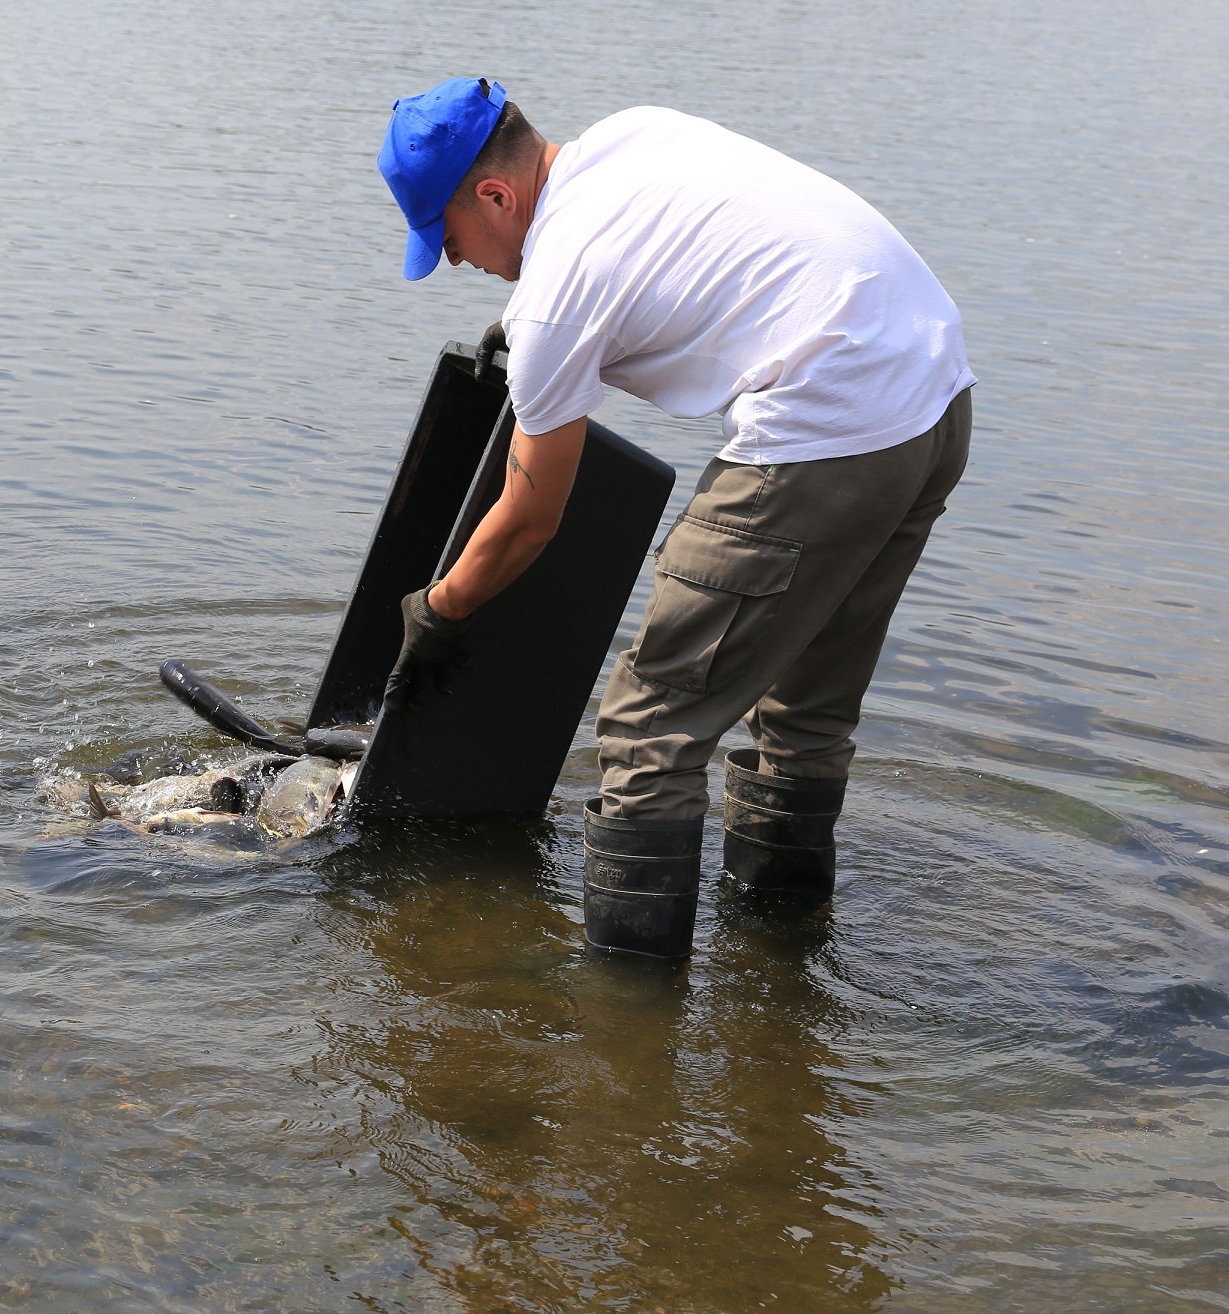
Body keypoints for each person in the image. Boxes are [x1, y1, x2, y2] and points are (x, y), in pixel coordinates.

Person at [377, 77, 975, 959]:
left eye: (450, 237)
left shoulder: (555, 295)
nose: (456, 261)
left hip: (824, 430)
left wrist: (440, 612)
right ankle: (775, 967)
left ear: (494, 196)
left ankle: (625, 1018)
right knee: (802, 715)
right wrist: (537, 335)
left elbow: (531, 518)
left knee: (649, 725)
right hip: (931, 400)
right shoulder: (634, 134)